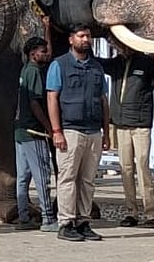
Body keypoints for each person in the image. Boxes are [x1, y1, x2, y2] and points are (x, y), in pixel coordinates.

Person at [46, 24, 110, 242]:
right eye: (81, 36)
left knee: (88, 179)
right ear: (71, 39)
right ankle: (66, 222)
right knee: (68, 177)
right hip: (70, 129)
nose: (86, 39)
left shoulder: (96, 67)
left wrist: (106, 131)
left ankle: (83, 221)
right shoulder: (59, 65)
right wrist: (57, 131)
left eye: (88, 36)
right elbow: (52, 98)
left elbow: (103, 100)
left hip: (93, 130)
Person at [99, 39, 154, 228]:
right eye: (119, 45)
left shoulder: (147, 62)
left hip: (141, 124)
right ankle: (131, 211)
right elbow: (95, 61)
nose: (122, 48)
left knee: (142, 166)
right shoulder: (116, 63)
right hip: (121, 124)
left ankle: (150, 213)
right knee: (125, 168)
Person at [15, 33, 57, 232]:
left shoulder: (25, 69)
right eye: (43, 51)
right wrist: (50, 127)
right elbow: (35, 102)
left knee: (23, 176)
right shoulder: (35, 73)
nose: (46, 54)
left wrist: (47, 28)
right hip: (34, 131)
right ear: (33, 54)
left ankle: (23, 217)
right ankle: (48, 218)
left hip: (21, 131)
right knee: (42, 175)